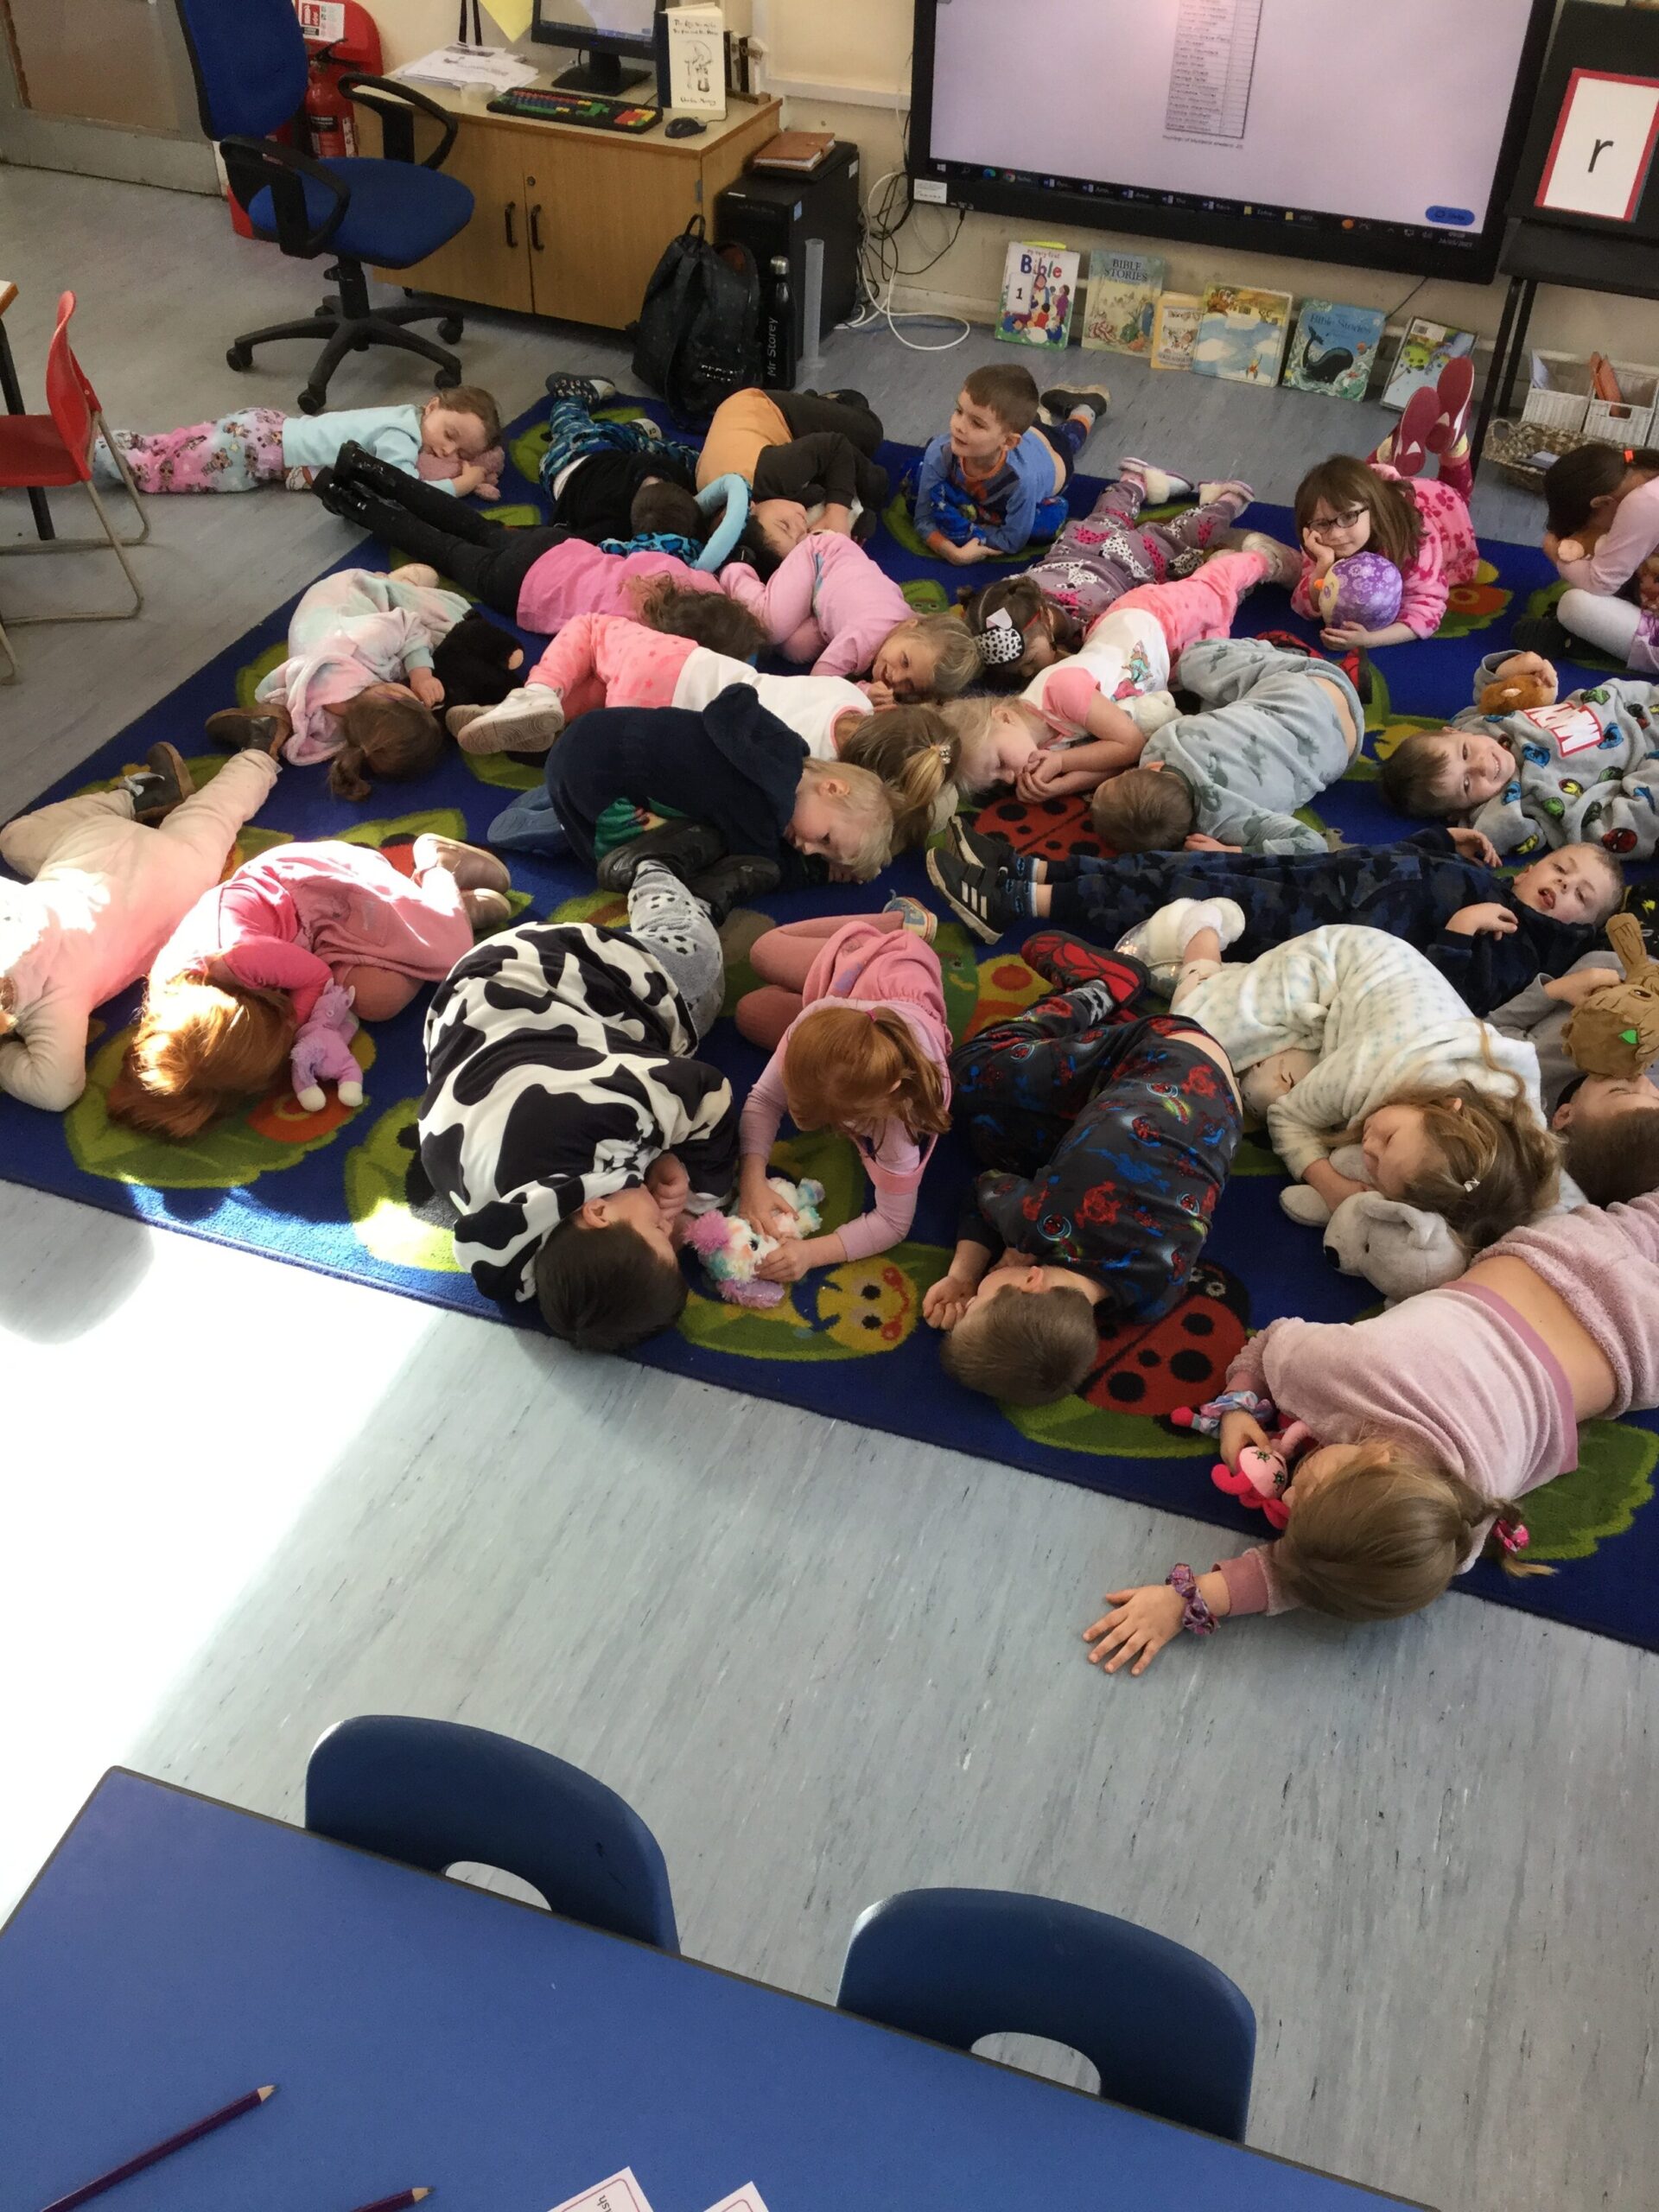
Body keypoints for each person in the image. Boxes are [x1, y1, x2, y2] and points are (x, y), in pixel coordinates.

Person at [1082, 1186, 1659, 1673]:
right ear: (1375, 1459)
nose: (1289, 1494)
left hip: (1640, 1345)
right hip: (1559, 1258)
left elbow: (1327, 1570)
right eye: (1308, 1488)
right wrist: (1239, 1403)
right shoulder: (1345, 1377)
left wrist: (1197, 1600)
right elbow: (1272, 1341)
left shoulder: (1454, 1528)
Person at [417, 867, 740, 1348]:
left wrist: (703, 1199)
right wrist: (650, 1164)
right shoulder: (503, 1226)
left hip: (547, 969)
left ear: (599, 1213)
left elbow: (707, 1092)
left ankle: (656, 871)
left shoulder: (599, 1117)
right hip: (460, 1010)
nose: (666, 1221)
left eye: (657, 1228)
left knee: (699, 974)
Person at [925, 934, 1241, 1406]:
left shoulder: (1154, 1299)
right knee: (965, 1075)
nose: (969, 1299)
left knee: (994, 1133)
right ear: (1031, 1282)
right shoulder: (1039, 1223)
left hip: (1224, 1106)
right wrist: (964, 1274)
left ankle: (1097, 1025)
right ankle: (1101, 987)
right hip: (1164, 1051)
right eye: (978, 1303)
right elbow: (981, 1190)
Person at [1122, 909, 1554, 1247]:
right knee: (1189, 1039)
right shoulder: (1368, 1072)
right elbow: (1289, 1118)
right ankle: (1202, 935)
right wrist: (1326, 1181)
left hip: (1363, 1018)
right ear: (1445, 1106)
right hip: (1337, 961)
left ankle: (1243, 987)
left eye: (1377, 1168)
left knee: (1261, 1084)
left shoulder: (1515, 1125)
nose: (1368, 1147)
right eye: (1387, 1140)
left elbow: (1529, 1191)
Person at [925, 818, 1623, 1014]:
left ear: (1579, 929)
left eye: (1580, 896)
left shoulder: (1515, 945)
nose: (1562, 887)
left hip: (1311, 929)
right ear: (1532, 867)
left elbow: (1443, 993)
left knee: (1170, 894)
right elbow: (1398, 860)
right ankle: (1033, 870)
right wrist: (1442, 840)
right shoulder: (1490, 880)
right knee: (1174, 867)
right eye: (1561, 869)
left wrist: (1461, 932)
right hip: (1316, 876)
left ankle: (1013, 903)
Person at [107, 835, 510, 1139]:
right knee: (378, 998)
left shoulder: (241, 957)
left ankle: (437, 869)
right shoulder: (172, 1005)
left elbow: (316, 976)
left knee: (449, 955)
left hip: (316, 893)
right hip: (301, 942)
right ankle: (440, 912)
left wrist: (298, 1027)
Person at [0, 741, 278, 1111]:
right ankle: (137, 797)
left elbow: (55, 1091)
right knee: (15, 838)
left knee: (216, 811)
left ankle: (259, 752)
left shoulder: (56, 1004)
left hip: (174, 882)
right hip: (99, 845)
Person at [491, 683, 897, 895]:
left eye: (821, 854)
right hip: (593, 783)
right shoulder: (765, 807)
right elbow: (762, 868)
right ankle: (558, 831)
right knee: (651, 857)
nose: (808, 850)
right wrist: (820, 875)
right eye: (825, 840)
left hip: (593, 732)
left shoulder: (786, 746)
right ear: (833, 788)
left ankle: (557, 798)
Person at [734, 912, 951, 1281]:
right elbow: (764, 1100)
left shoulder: (900, 1125)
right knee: (756, 979)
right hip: (862, 974)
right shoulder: (815, 1020)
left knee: (756, 982)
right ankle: (892, 926)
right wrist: (751, 1180)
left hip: (889, 975)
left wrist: (810, 1254)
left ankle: (897, 927)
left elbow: (894, 1223)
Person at [959, 457, 1263, 686]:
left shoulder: (1085, 622)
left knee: (1180, 536)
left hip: (1130, 561)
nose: (1027, 673)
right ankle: (1133, 479)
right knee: (1107, 514)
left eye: (1027, 662)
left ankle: (1225, 502)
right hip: (1078, 542)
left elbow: (1109, 654)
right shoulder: (1009, 596)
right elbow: (987, 609)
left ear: (1045, 619)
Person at [445, 609, 873, 764]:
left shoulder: (851, 695)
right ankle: (535, 718)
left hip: (680, 669)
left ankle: (537, 694)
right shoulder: (828, 769)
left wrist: (871, 694)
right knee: (603, 684)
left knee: (593, 632)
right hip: (664, 731)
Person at [1270, 357, 1479, 649]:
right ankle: (1393, 449)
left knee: (1459, 494)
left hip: (1443, 509)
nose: (1336, 534)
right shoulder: (1322, 538)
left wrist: (1370, 640)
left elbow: (1427, 610)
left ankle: (1454, 440)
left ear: (1373, 513)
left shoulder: (1415, 542)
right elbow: (1303, 604)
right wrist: (1323, 566)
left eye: (1347, 519)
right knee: (1357, 483)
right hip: (1379, 495)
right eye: (1323, 523)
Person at [1088, 635, 1363, 855]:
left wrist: (1235, 851)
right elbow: (1314, 846)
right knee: (1192, 661)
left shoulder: (1231, 824)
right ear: (1154, 767)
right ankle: (1272, 652)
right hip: (1312, 686)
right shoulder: (1164, 744)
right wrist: (1232, 851)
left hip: (1343, 748)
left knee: (1225, 709)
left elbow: (1308, 844)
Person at [201, 566, 465, 795]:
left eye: (417, 701)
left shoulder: (363, 642)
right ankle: (399, 581)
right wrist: (421, 673)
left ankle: (398, 582)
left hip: (338, 607)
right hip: (333, 609)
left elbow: (409, 626)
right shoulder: (329, 722)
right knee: (446, 625)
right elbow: (270, 688)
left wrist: (421, 675)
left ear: (395, 694)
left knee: (435, 611)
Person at [1378, 648, 1659, 860]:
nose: (1482, 765)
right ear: (1458, 811)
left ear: (1453, 731)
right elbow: (1496, 835)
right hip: (1644, 762)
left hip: (1630, 703)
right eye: (1466, 784)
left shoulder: (1477, 725)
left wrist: (1523, 666)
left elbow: (1491, 688)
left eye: (1465, 752)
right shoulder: (1508, 809)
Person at [99, 387, 501, 497]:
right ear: (432, 407)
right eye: (449, 435)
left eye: (462, 452)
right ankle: (105, 457)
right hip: (262, 451)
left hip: (269, 425)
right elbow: (404, 490)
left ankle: (116, 441)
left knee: (184, 444)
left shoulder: (405, 415)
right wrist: (460, 484)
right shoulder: (402, 434)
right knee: (175, 471)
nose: (447, 452)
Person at [1491, 955, 1659, 1206]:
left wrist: (1553, 991)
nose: (1639, 1077)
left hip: (1597, 964)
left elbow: (1491, 1028)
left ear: (1565, 1115)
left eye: (1620, 1090)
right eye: (1656, 1095)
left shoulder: (1533, 1074)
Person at [720, 533, 982, 690]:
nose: (895, 677)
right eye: (904, 662)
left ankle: (791, 602)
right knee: (771, 627)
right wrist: (863, 692)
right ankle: (737, 571)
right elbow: (820, 680)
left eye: (909, 685)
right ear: (911, 625)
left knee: (794, 649)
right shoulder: (864, 636)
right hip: (821, 559)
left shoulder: (916, 632)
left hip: (831, 601)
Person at [912, 365, 1109, 567]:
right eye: (959, 411)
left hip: (1054, 452)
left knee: (1072, 436)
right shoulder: (940, 450)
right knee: (917, 477)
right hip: (1016, 437)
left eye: (977, 423)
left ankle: (1086, 407)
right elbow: (923, 517)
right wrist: (952, 552)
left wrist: (968, 533)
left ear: (1008, 442)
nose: (959, 426)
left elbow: (1012, 541)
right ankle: (1034, 416)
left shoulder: (1021, 482)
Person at [691, 385, 890, 563]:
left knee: (869, 433)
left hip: (764, 408)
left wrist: (837, 512)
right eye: (800, 539)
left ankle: (824, 401)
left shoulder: (772, 473)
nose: (801, 527)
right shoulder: (742, 522)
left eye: (784, 525)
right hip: (754, 449)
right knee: (830, 477)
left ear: (750, 507)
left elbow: (835, 446)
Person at [1515, 442, 1659, 668]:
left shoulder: (1644, 502)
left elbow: (1600, 583)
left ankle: (1580, 642)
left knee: (1574, 604)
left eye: (1584, 526)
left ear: (1602, 503)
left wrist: (1554, 553)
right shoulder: (1644, 477)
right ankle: (1593, 638)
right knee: (1604, 561)